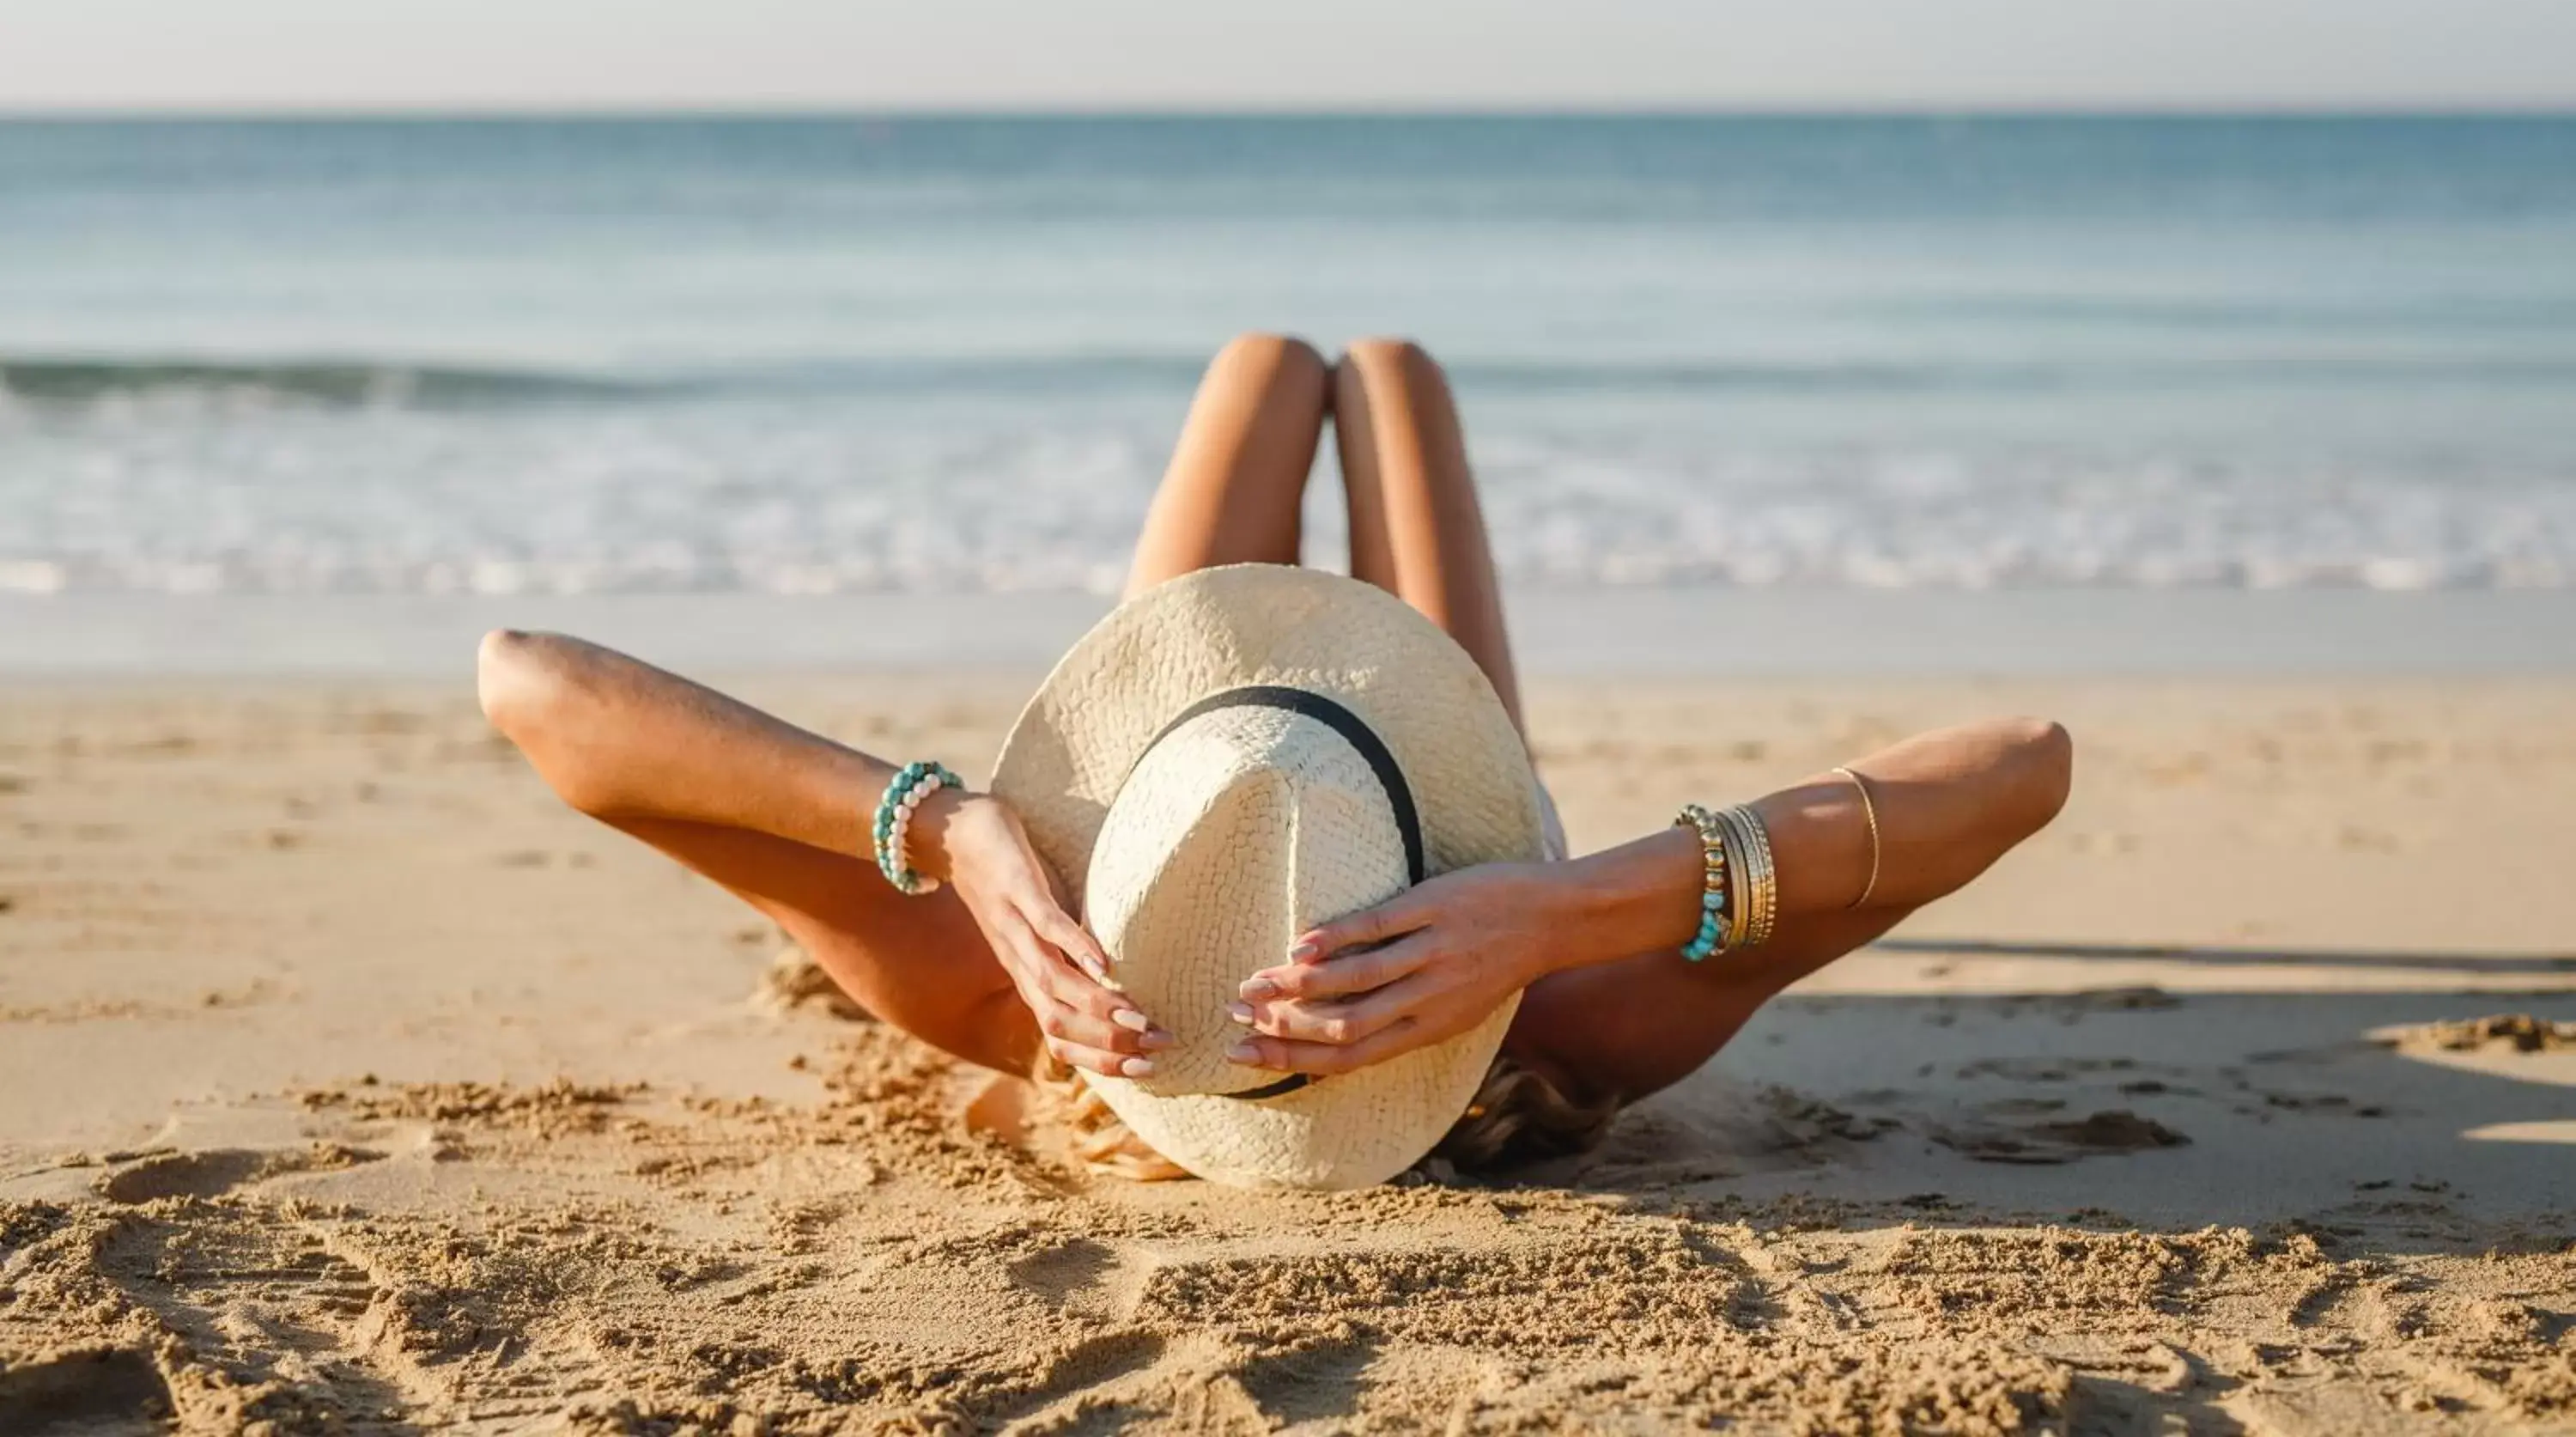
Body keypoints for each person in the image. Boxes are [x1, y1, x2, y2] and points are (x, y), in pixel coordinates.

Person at [477, 336, 2072, 1179]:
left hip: (1162, 803)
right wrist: (1552, 911)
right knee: (1381, 373)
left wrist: (953, 826)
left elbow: (531, 685)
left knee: (1260, 367)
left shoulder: (998, 988)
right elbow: (2021, 764)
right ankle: (1371, 384)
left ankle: (1302, 397)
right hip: (1453, 861)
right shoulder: (1573, 1017)